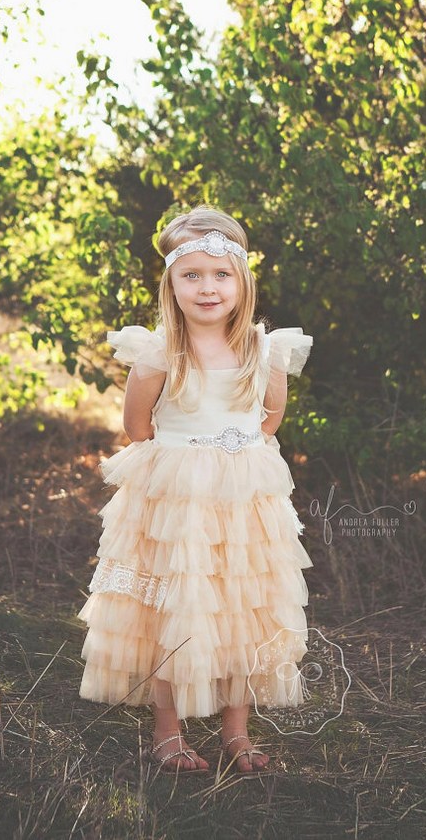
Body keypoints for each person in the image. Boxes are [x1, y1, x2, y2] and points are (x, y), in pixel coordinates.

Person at [78, 205, 314, 774]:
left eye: (221, 274)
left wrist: (227, 454)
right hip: (177, 504)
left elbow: (269, 421)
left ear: (242, 281)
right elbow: (137, 429)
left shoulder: (266, 350)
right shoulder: (159, 354)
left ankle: (237, 729)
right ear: (171, 284)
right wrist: (191, 458)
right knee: (173, 609)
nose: (207, 287)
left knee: (242, 609)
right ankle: (168, 732)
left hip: (242, 503)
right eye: (192, 275)